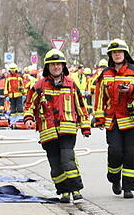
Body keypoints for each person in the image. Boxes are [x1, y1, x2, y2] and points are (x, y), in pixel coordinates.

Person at [24, 50, 91, 203]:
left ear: (63, 66)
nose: (56, 67)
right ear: (47, 67)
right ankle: (64, 192)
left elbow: (80, 106)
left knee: (68, 160)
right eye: (52, 64)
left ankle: (76, 190)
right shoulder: (39, 86)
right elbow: (29, 105)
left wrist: (85, 126)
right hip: (48, 132)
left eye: (58, 64)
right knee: (55, 165)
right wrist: (28, 118)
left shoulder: (70, 84)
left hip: (67, 130)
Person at [92, 39, 134, 198]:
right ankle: (114, 178)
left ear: (125, 54)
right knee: (115, 152)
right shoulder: (105, 73)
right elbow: (100, 97)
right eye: (114, 52)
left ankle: (128, 187)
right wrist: (99, 118)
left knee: (131, 154)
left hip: (133, 121)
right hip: (114, 121)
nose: (117, 54)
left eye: (120, 52)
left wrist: (131, 90)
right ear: (110, 55)